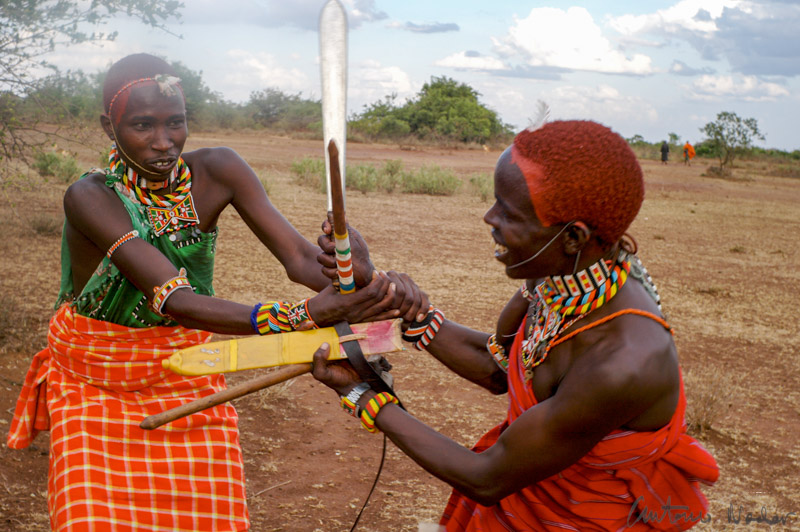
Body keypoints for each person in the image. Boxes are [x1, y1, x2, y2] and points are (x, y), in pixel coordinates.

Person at [6, 53, 421, 532]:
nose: (164, 142)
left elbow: (302, 261)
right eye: (143, 125)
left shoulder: (219, 170)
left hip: (187, 370)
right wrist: (303, 314)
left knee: (210, 519)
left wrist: (355, 275)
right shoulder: (91, 197)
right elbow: (173, 299)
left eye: (176, 123)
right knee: (93, 520)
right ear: (109, 126)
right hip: (96, 378)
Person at [312, 120, 719, 531]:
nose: (489, 218)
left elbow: (487, 477)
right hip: (525, 501)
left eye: (507, 212)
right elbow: (497, 366)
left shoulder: (624, 361)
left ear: (573, 237)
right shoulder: (560, 276)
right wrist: (386, 292)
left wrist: (362, 394)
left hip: (582, 519)